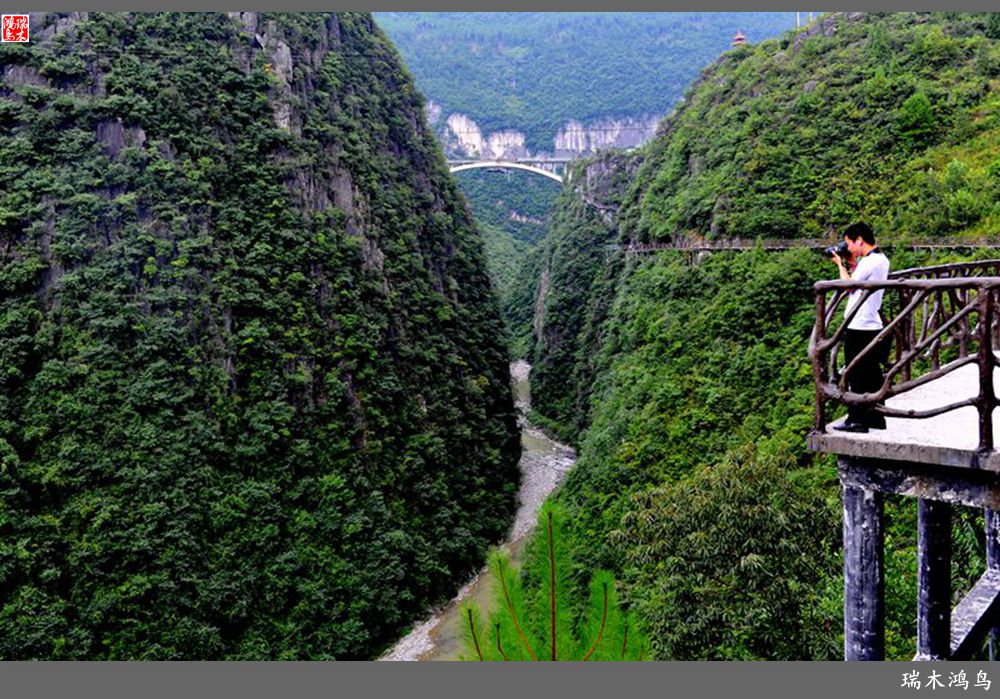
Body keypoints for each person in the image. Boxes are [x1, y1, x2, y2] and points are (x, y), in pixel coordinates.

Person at [831, 222, 890, 433]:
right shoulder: (881, 260)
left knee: (855, 373)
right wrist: (852, 263)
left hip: (859, 325)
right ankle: (875, 417)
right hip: (872, 324)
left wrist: (840, 264)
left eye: (849, 243)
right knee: (871, 374)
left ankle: (856, 420)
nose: (848, 248)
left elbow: (848, 286)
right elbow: (861, 281)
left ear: (859, 240)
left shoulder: (869, 261)